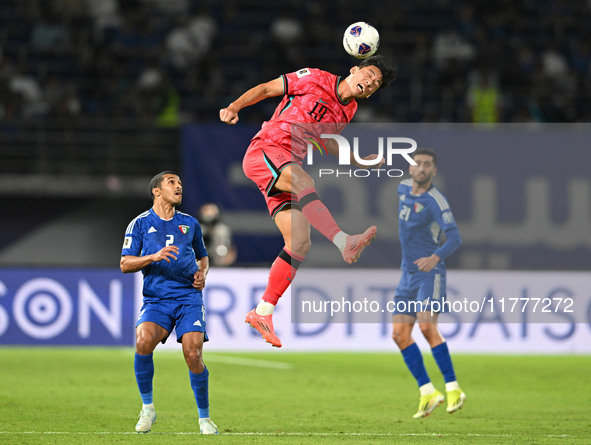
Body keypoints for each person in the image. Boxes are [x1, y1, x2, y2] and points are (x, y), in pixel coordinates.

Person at [219, 55, 396, 348]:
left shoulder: (347, 110)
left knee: (300, 242)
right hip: (267, 150)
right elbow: (266, 89)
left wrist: (358, 161)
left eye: (376, 85)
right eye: (369, 75)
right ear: (355, 69)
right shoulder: (314, 77)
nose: (370, 84)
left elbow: (323, 141)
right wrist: (234, 106)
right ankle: (344, 242)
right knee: (305, 182)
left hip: (286, 167)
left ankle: (262, 311)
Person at [120, 171, 219, 435]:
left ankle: (205, 418)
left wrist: (202, 275)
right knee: (143, 341)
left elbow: (203, 257)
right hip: (157, 298)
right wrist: (153, 256)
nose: (179, 187)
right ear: (156, 191)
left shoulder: (190, 224)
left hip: (188, 297)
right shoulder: (139, 224)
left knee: (193, 353)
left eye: (180, 184)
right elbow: (125, 263)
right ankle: (148, 408)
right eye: (172, 183)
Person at [391, 148, 465, 418]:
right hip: (407, 274)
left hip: (429, 275)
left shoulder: (437, 201)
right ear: (410, 169)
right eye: (417, 164)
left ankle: (453, 388)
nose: (421, 168)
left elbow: (455, 238)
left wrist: (435, 257)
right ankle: (427, 392)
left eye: (427, 165)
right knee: (399, 335)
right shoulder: (401, 189)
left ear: (434, 171)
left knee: (426, 327)